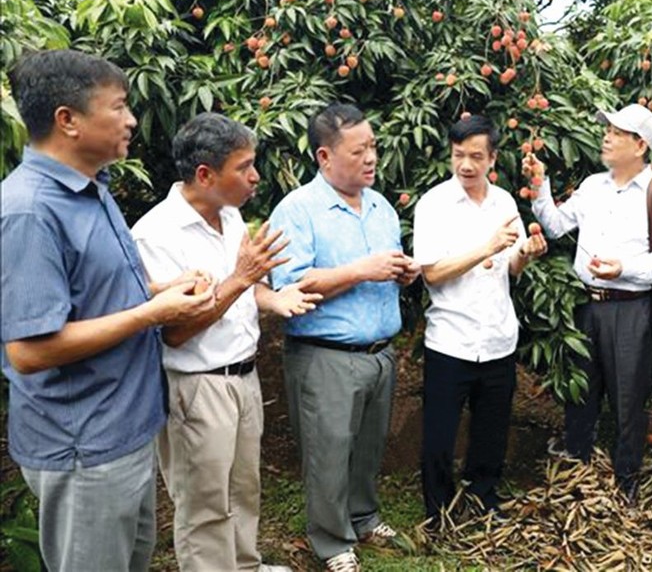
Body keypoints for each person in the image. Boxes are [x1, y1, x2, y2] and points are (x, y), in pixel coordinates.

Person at [0, 49, 216, 572]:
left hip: (125, 427)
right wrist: (152, 313)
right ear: (67, 120)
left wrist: (165, 291)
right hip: (84, 446)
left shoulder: (93, 189)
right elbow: (29, 350)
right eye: (118, 107)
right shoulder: (30, 211)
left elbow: (102, 295)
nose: (132, 119)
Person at [131, 112, 320, 572]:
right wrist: (241, 278)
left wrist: (271, 298)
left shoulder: (229, 215)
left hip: (243, 376)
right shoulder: (156, 234)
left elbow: (246, 288)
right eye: (245, 166)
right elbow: (175, 331)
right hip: (198, 385)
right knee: (204, 502)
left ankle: (246, 566)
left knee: (242, 487)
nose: (255, 176)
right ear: (205, 174)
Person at [267, 102, 421, 572]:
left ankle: (364, 515)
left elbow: (382, 267)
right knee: (328, 449)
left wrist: (401, 273)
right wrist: (360, 271)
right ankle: (332, 541)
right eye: (359, 151)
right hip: (325, 354)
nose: (372, 157)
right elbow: (288, 285)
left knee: (368, 446)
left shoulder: (380, 207)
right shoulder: (297, 210)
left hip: (378, 351)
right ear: (325, 157)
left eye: (373, 146)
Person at [527, 103, 652, 501]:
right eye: (607, 130)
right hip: (587, 303)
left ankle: (626, 477)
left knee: (628, 395)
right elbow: (558, 224)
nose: (606, 136)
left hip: (631, 307)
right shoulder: (593, 185)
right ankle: (576, 457)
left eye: (616, 132)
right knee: (582, 386)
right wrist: (540, 185)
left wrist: (625, 269)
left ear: (640, 145)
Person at [413, 115, 548, 521]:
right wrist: (486, 248)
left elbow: (511, 266)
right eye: (458, 156)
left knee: (491, 430)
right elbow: (432, 272)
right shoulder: (434, 203)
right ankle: (438, 509)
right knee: (439, 433)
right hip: (451, 338)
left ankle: (483, 497)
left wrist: (526, 253)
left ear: (493, 157)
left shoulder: (505, 201)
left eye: (475, 156)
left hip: (497, 337)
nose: (466, 165)